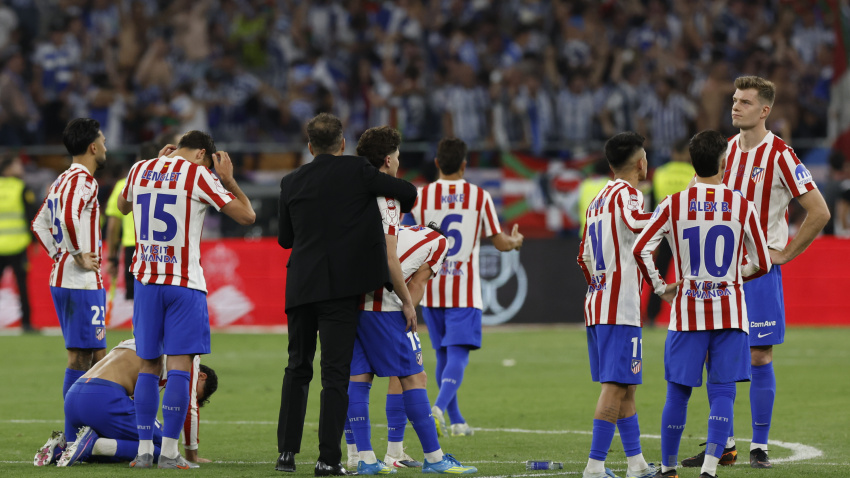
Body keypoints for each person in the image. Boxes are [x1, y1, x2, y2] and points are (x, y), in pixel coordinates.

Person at [681, 76, 831, 469]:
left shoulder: (781, 154)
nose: (735, 106)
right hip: (721, 273)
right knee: (715, 354)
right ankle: (724, 444)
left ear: (765, 110)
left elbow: (819, 212)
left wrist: (786, 254)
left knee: (760, 355)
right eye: (734, 100)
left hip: (759, 272)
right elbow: (697, 202)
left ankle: (759, 446)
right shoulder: (724, 152)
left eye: (745, 102)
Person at [276, 113, 417, 476]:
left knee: (297, 368)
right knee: (335, 375)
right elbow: (408, 193)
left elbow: (285, 240)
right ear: (342, 144)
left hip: (300, 286)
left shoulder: (291, 181)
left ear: (310, 147)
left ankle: (286, 455)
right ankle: (327, 459)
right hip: (339, 289)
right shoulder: (358, 171)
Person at [633, 129, 772, 478]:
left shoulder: (673, 203)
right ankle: (709, 469)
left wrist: (661, 287)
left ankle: (668, 469)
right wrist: (736, 275)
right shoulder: (742, 205)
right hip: (729, 312)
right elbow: (763, 262)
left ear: (692, 163)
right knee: (723, 390)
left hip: (688, 312)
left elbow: (640, 248)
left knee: (678, 393)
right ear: (724, 163)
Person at [117, 130, 256, 469]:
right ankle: (169, 453)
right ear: (201, 154)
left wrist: (158, 165)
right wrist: (229, 180)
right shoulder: (199, 174)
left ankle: (143, 452)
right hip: (183, 283)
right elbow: (247, 216)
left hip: (146, 281)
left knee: (148, 366)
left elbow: (122, 206)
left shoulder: (140, 168)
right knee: (180, 367)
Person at [344, 125, 476, 475]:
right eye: (398, 157)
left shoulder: (345, 194)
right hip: (382, 305)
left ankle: (363, 458)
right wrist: (407, 304)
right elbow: (393, 261)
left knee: (357, 379)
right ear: (388, 160)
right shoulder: (390, 200)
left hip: (344, 301)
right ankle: (433, 458)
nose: (399, 162)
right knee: (414, 377)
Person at [405, 137, 523, 438]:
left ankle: (456, 421)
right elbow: (499, 242)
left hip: (431, 288)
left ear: (436, 163)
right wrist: (515, 242)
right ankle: (438, 409)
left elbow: (406, 234)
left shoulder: (421, 196)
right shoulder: (479, 196)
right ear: (464, 165)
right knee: (458, 354)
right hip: (464, 289)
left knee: (443, 354)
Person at [575, 132, 657, 478]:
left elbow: (583, 256)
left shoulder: (597, 199)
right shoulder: (629, 194)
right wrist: (671, 215)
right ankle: (595, 465)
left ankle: (636, 464)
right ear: (640, 163)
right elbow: (638, 224)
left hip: (598, 303)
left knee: (626, 386)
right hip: (619, 307)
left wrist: (600, 283)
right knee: (614, 387)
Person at [33, 338, 216, 467]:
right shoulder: (186, 356)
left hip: (75, 395)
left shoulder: (139, 340)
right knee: (164, 447)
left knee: (129, 445)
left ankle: (62, 449)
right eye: (196, 392)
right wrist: (191, 455)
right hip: (103, 398)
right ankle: (95, 445)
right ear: (201, 375)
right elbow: (190, 408)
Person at [31, 118, 108, 409]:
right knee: (80, 357)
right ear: (93, 147)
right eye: (103, 141)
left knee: (98, 355)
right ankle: (75, 424)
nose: (105, 146)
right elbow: (67, 217)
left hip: (70, 279)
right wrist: (76, 254)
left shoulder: (61, 179)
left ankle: (95, 420)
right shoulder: (83, 180)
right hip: (79, 281)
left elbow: (39, 224)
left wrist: (58, 254)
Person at [104, 141, 160, 305]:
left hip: (134, 248)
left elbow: (113, 227)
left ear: (138, 160)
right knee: (159, 300)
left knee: (138, 303)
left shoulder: (123, 185)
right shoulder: (170, 185)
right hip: (162, 249)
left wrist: (112, 258)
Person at [646, 139, 694, 326]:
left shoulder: (660, 173)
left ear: (673, 153)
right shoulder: (694, 173)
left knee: (660, 274)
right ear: (687, 155)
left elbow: (652, 206)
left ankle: (651, 316)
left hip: (665, 231)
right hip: (688, 231)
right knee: (691, 276)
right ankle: (692, 315)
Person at [0, 154, 37, 332]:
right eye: (17, 165)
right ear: (8, 169)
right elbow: (32, 215)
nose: (20, 168)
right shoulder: (22, 188)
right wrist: (35, 241)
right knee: (22, 286)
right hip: (18, 245)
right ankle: (27, 324)